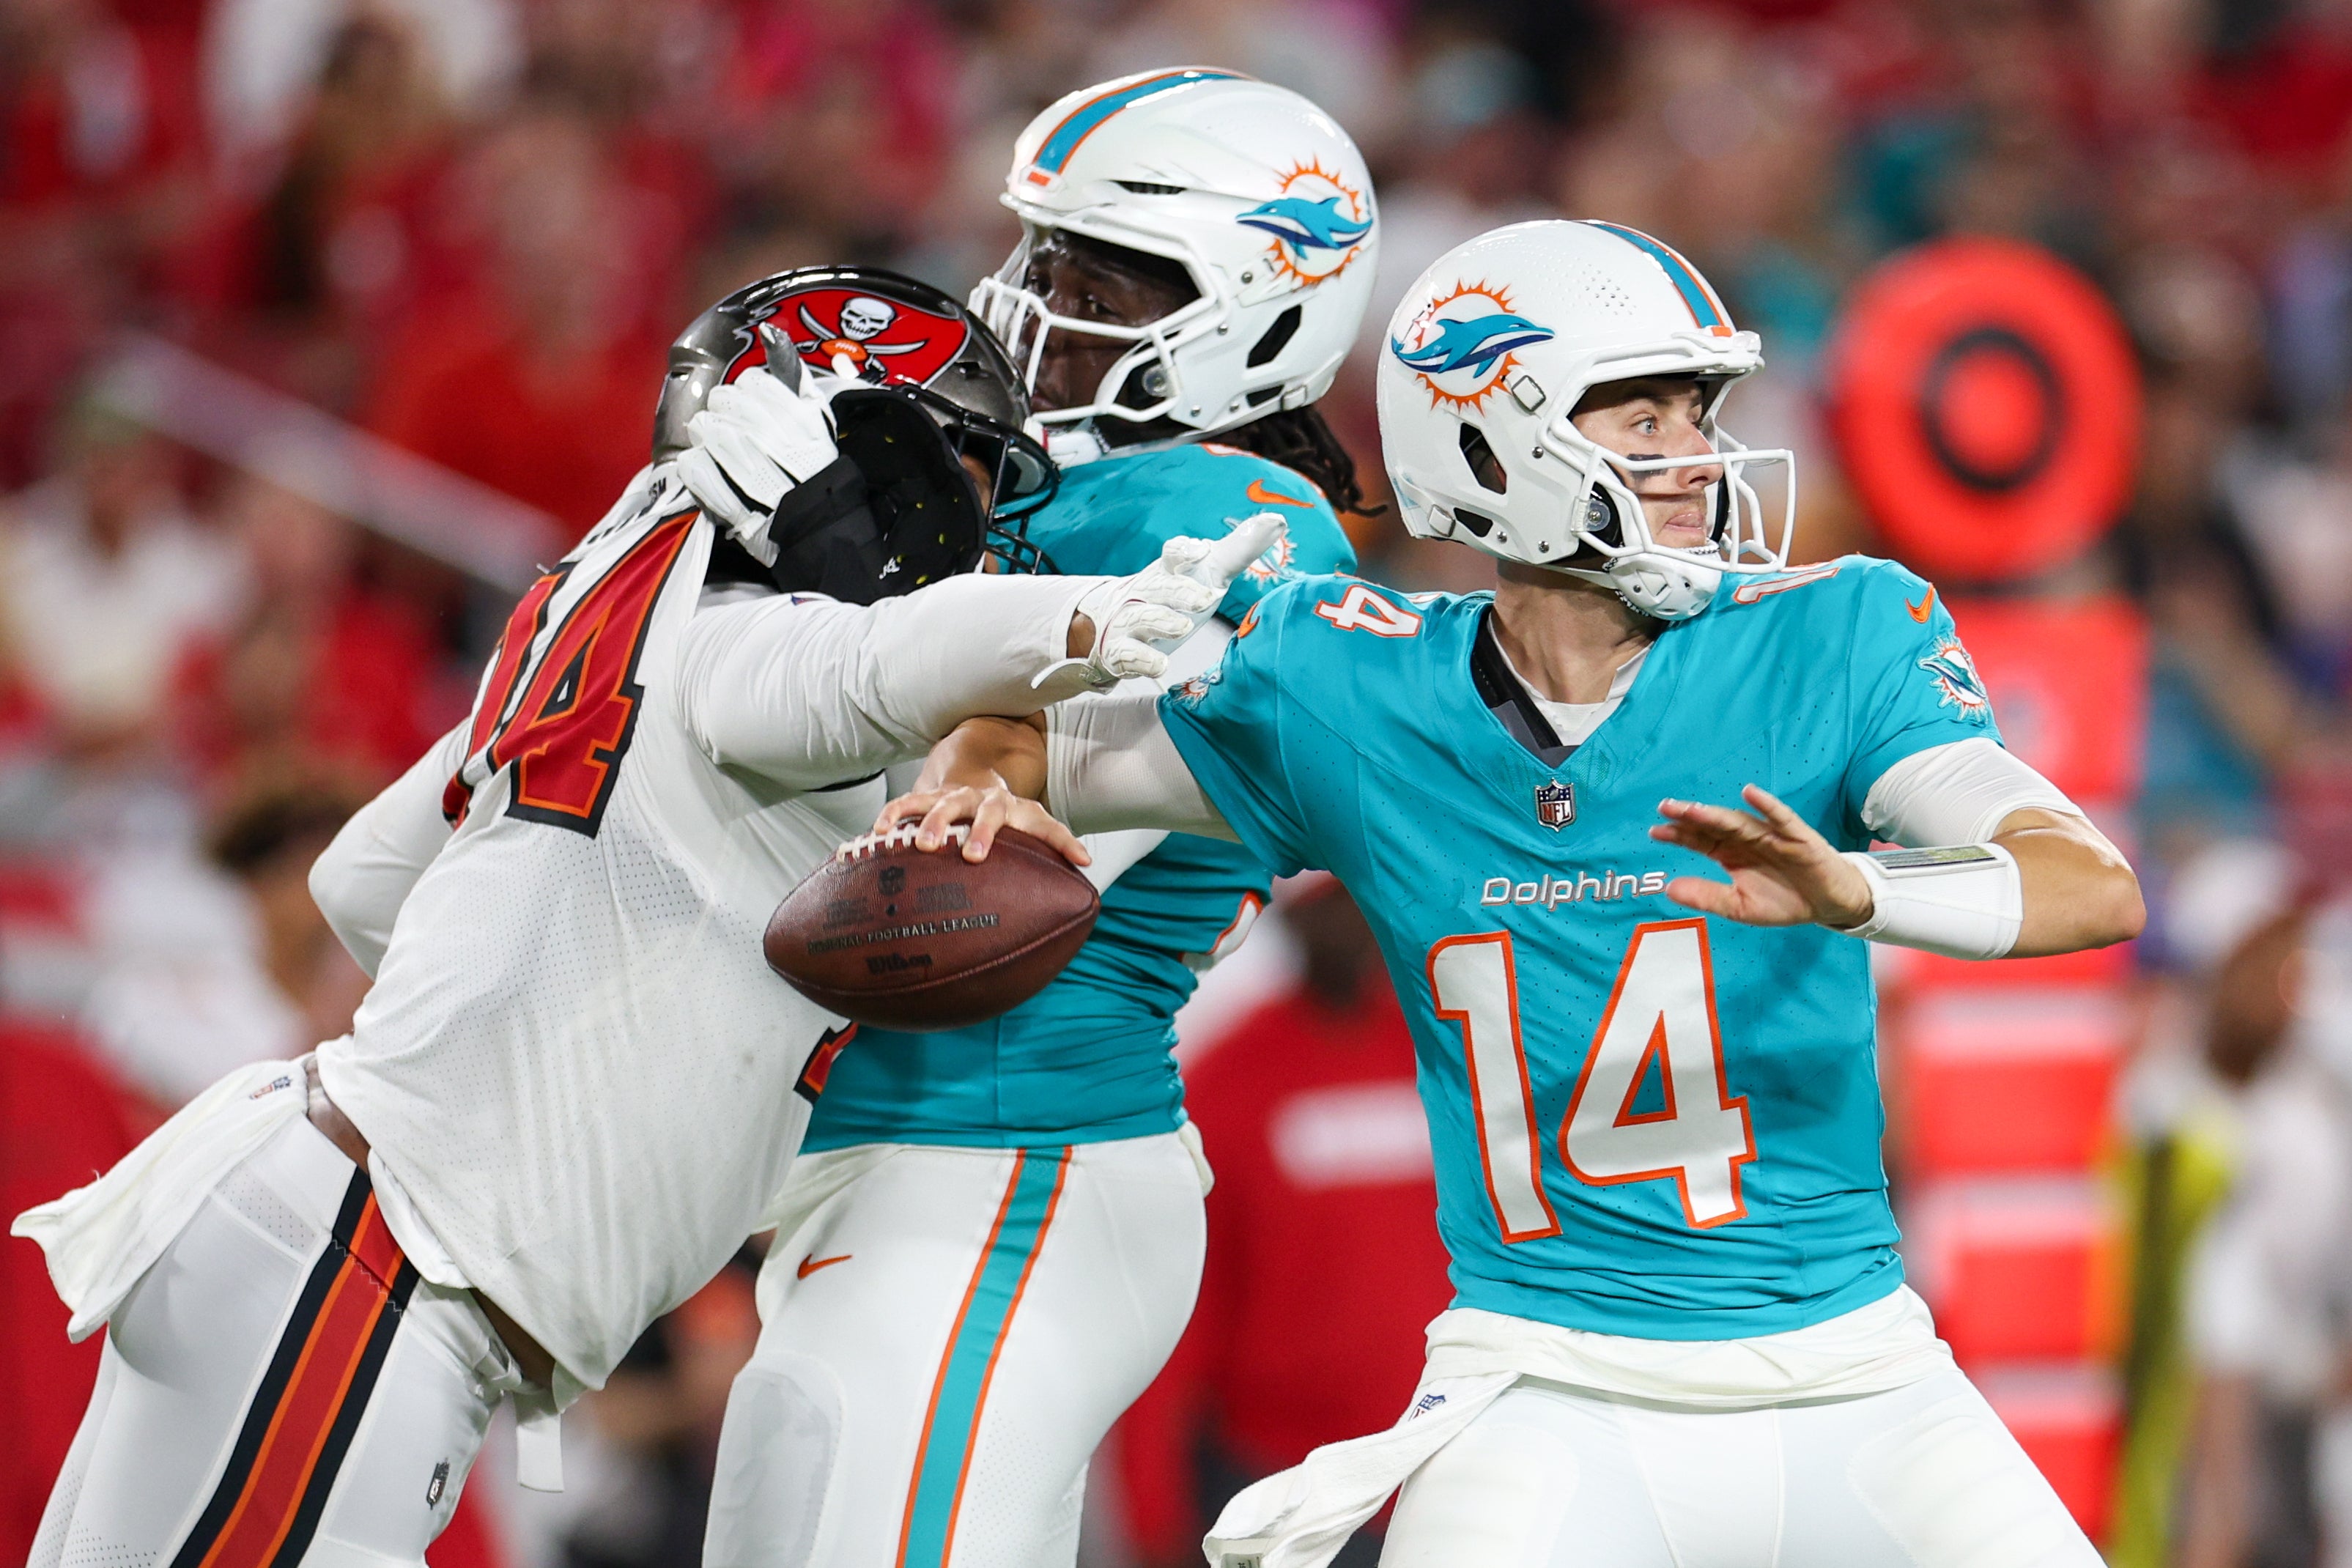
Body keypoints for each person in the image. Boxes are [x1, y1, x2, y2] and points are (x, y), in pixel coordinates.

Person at [884, 219, 2148, 1567]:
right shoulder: (1349, 684)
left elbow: (2088, 885)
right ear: (1489, 445)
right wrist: (983, 769)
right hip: (1546, 1391)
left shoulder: (1823, 636)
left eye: (1696, 414)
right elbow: (1044, 729)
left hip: (1862, 1376)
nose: (1696, 457)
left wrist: (1862, 895)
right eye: (1644, 414)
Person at [13, 266, 1275, 1568]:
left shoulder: (598, 597)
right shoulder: (743, 644)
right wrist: (1109, 612)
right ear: (836, 433)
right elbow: (879, 663)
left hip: (325, 1231)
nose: (969, 515)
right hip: (373, 1276)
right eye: (950, 463)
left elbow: (362, 881)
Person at [702, 73, 1375, 1568]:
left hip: (1007, 1148)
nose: (1029, 306)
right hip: (916, 1161)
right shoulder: (1067, 485)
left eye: (1096, 279)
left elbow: (971, 844)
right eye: (1039, 259)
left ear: (1259, 308)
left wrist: (851, 621)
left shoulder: (1232, 513)